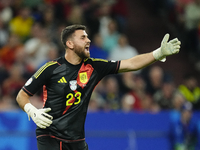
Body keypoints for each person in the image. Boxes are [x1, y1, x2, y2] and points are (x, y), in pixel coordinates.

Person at [16, 24, 181, 150]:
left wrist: (158, 54)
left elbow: (131, 63)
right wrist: (32, 110)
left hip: (77, 140)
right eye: (83, 37)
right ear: (70, 43)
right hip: (50, 136)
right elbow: (21, 96)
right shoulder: (51, 69)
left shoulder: (95, 67)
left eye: (87, 37)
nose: (88, 40)